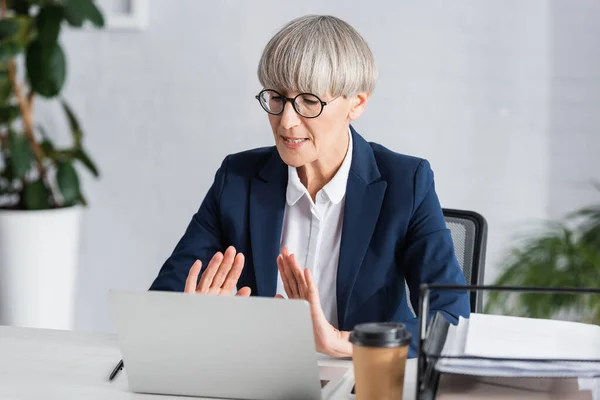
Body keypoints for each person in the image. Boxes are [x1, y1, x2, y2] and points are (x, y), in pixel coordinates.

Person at [149, 14, 469, 358]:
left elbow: (451, 319)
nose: (286, 122)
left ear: (357, 103)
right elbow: (162, 302)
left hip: (358, 381)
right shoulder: (237, 179)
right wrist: (193, 316)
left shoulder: (406, 183)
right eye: (277, 98)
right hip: (255, 375)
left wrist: (344, 342)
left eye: (309, 102)